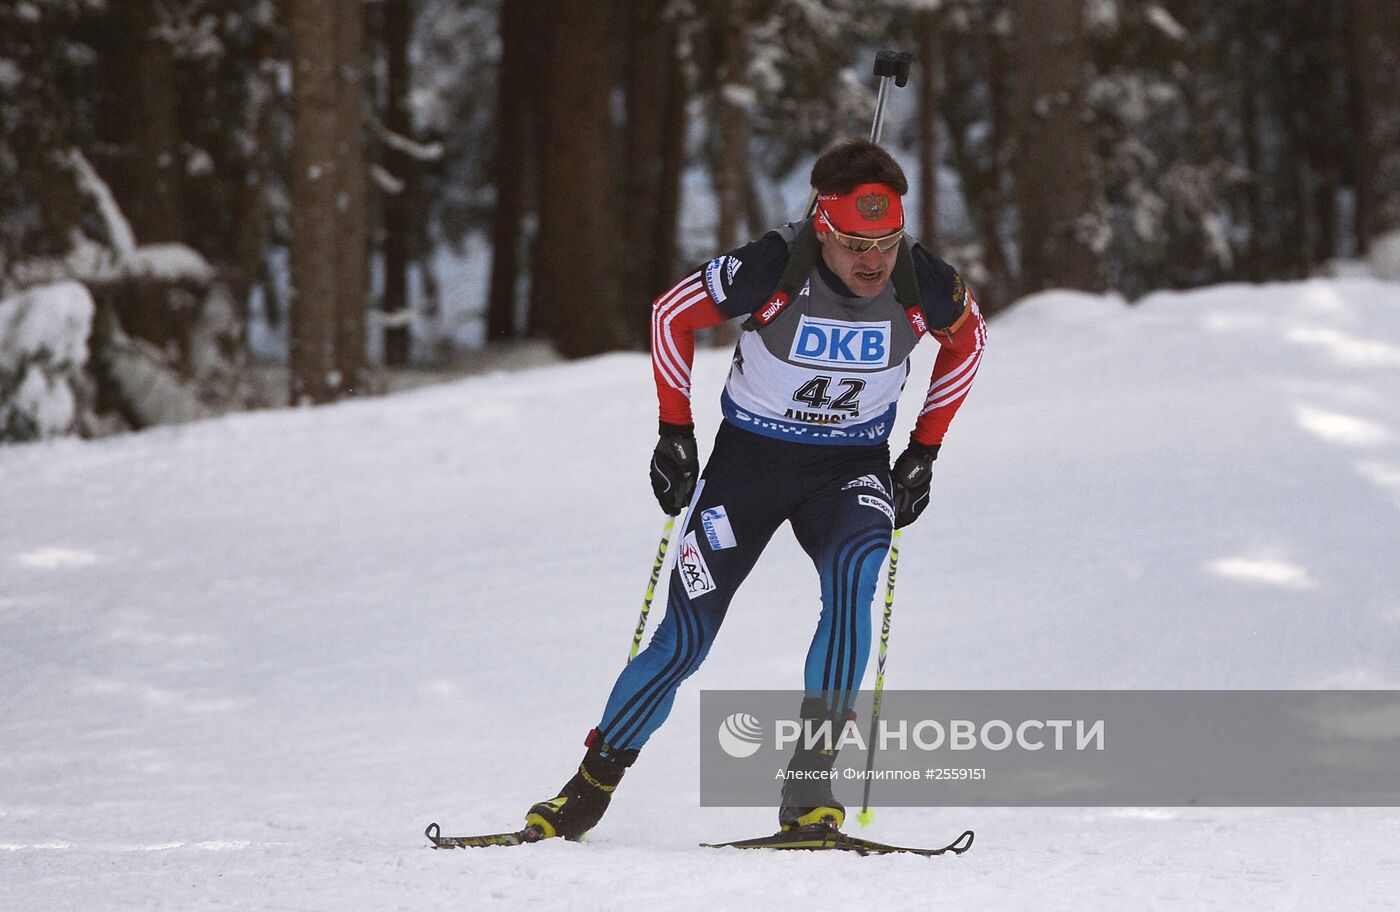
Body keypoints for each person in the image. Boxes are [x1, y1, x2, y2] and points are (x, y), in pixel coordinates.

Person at [526, 140, 986, 840]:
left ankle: (810, 793)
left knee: (855, 576)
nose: (874, 261)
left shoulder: (922, 280)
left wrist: (923, 452)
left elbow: (969, 343)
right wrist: (675, 432)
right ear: (823, 229)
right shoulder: (773, 263)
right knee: (685, 641)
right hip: (748, 469)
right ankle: (585, 792)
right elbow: (668, 317)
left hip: (851, 469)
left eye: (887, 243)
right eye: (856, 244)